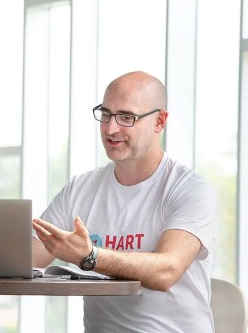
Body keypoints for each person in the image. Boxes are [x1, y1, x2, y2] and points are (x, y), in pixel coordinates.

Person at [32, 71, 219, 332]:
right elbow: (27, 258)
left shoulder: (190, 189)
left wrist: (91, 256)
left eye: (127, 117)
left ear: (159, 121)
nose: (110, 128)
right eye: (106, 114)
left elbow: (167, 270)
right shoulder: (80, 188)